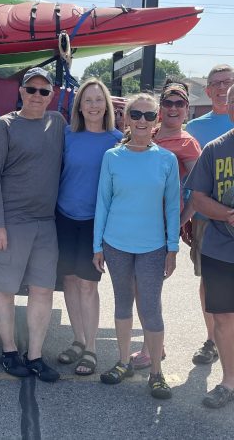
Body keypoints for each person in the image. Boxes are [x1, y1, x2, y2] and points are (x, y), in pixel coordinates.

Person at [93, 93, 180, 399]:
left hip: (153, 247)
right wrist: (97, 245)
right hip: (115, 244)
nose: (142, 120)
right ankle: (122, 361)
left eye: (148, 115)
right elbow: (103, 203)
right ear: (127, 118)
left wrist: (173, 249)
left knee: (151, 309)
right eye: (136, 114)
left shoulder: (166, 160)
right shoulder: (112, 157)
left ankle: (156, 372)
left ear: (157, 121)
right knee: (122, 303)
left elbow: (172, 207)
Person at [0, 67, 65, 382]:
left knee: (43, 291)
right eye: (32, 89)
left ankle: (35, 356)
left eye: (44, 91)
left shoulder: (56, 123)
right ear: (21, 91)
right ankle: (8, 352)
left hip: (46, 223)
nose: (37, 96)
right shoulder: (4, 126)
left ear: (51, 95)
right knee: (4, 290)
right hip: (10, 222)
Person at [130, 80, 201, 369]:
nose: (173, 108)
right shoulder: (150, 131)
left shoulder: (188, 144)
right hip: (135, 221)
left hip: (159, 228)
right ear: (160, 108)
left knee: (148, 291)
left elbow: (199, 191)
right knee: (139, 287)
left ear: (186, 109)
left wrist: (179, 222)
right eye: (168, 103)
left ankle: (152, 350)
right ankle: (153, 344)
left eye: (179, 104)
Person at [56, 78, 123, 375]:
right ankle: (78, 339)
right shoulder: (67, 136)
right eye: (88, 100)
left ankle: (92, 348)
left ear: (106, 105)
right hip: (64, 217)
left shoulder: (117, 140)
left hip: (95, 222)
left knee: (88, 285)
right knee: (69, 281)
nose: (93, 105)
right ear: (79, 107)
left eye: (98, 100)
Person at [184, 83, 234, 409]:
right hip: (220, 249)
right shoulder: (215, 149)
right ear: (229, 107)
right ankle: (229, 382)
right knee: (225, 318)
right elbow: (198, 196)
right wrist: (230, 215)